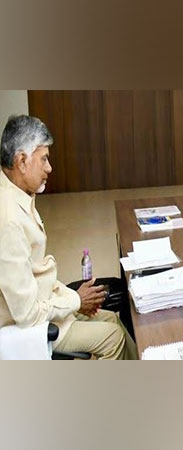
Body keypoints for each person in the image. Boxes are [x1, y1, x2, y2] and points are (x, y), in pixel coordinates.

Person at [0, 115, 137, 360]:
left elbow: (35, 275)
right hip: (31, 326)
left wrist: (72, 297)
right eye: (43, 159)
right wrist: (75, 300)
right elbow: (26, 313)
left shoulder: (18, 194)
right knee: (112, 338)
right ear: (22, 161)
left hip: (45, 302)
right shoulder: (8, 219)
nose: (49, 168)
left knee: (112, 319)